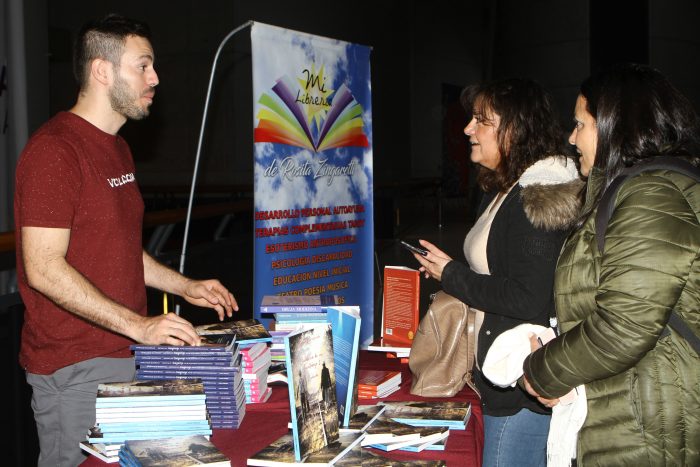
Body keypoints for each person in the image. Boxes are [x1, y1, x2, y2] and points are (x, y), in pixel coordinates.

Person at [13, 14, 239, 467]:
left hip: (127, 353)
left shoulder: (116, 147)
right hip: (74, 367)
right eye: (143, 65)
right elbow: (42, 267)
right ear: (102, 70)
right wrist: (139, 325)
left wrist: (184, 286)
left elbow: (118, 250)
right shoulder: (54, 151)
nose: (155, 78)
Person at [522, 63, 700, 466]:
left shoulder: (652, 195)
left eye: (580, 125)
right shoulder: (626, 192)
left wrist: (542, 371)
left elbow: (624, 325)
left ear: (614, 125)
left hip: (651, 424)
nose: (571, 138)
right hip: (629, 411)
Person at [411, 78, 583, 467]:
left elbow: (527, 297)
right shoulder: (509, 188)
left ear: (515, 129)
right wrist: (448, 272)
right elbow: (502, 268)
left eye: (480, 121)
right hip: (505, 377)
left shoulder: (537, 196)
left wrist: (453, 274)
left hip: (522, 387)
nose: (468, 129)